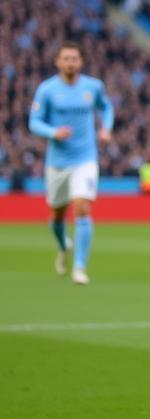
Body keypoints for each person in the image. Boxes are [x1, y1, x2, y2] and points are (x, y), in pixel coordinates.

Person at [28, 40, 114, 285]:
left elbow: (106, 107)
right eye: (66, 58)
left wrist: (106, 128)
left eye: (74, 58)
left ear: (81, 61)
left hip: (86, 158)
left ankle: (79, 267)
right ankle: (63, 244)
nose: (70, 62)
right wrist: (53, 132)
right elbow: (33, 123)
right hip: (57, 162)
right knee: (57, 215)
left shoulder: (93, 87)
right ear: (57, 62)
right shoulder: (46, 90)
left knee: (82, 207)